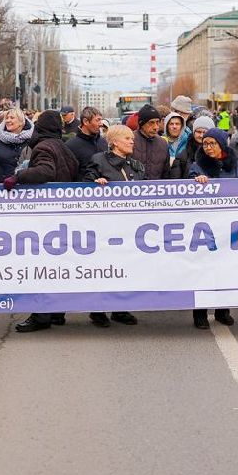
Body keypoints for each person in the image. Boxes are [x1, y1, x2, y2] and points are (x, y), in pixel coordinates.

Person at [10, 110, 84, 333]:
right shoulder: (62, 147)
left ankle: (41, 315)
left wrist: (18, 177)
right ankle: (56, 312)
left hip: (46, 219)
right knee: (57, 267)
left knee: (42, 268)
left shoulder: (43, 147)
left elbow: (45, 171)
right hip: (62, 217)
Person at [79, 124, 148, 327]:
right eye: (127, 138)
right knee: (104, 269)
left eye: (132, 138)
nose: (131, 141)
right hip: (104, 228)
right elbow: (85, 186)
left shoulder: (135, 165)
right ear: (114, 142)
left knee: (124, 268)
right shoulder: (99, 160)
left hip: (129, 228)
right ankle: (98, 310)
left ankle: (120, 308)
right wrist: (95, 182)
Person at [188, 127, 238, 329]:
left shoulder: (234, 165)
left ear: (222, 145)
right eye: (205, 144)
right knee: (203, 270)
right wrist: (196, 181)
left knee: (225, 270)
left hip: (227, 225)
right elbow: (187, 190)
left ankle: (222, 310)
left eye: (212, 143)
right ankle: (200, 313)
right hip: (205, 226)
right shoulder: (198, 165)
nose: (208, 147)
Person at [0, 108, 33, 182]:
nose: (8, 120)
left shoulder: (32, 139)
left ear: (21, 122)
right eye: (7, 118)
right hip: (3, 187)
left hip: (26, 186)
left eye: (12, 118)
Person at [132, 104, 171, 180]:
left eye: (157, 122)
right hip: (133, 189)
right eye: (151, 123)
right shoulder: (129, 140)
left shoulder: (163, 143)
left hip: (156, 190)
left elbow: (166, 174)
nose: (156, 127)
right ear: (142, 124)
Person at [65, 107, 107, 174]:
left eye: (101, 120)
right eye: (97, 120)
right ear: (85, 121)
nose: (101, 124)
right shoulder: (71, 146)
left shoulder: (104, 142)